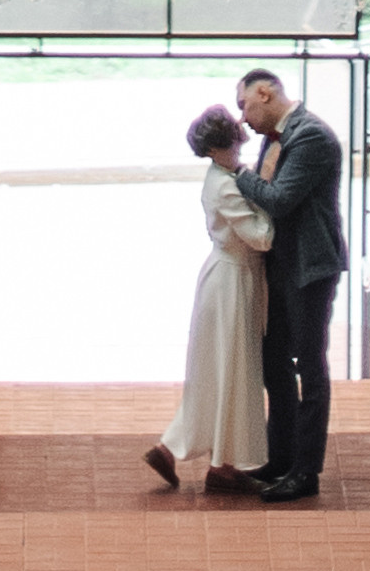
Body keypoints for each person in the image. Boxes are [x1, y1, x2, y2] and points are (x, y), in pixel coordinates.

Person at [210, 66, 345, 504]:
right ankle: (281, 457)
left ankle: (306, 471)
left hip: (310, 268)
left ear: (265, 93)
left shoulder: (312, 136)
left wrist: (236, 171)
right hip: (285, 267)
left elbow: (280, 199)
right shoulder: (277, 136)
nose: (243, 119)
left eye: (245, 105)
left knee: (310, 366)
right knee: (273, 361)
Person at [145, 103, 274, 495]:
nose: (237, 152)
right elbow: (261, 237)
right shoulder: (227, 184)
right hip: (234, 280)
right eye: (232, 146)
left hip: (226, 275)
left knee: (216, 371)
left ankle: (179, 448)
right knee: (234, 369)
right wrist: (271, 204)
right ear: (218, 149)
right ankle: (223, 462)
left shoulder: (218, 177)